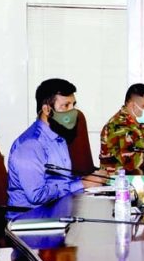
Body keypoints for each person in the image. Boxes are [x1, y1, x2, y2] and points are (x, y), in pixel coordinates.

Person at [8, 78, 104, 209]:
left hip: (57, 209)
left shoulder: (59, 137)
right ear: (47, 110)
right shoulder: (31, 145)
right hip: (31, 219)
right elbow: (37, 196)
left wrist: (91, 179)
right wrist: (81, 184)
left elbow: (62, 181)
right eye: (65, 106)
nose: (73, 112)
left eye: (73, 105)